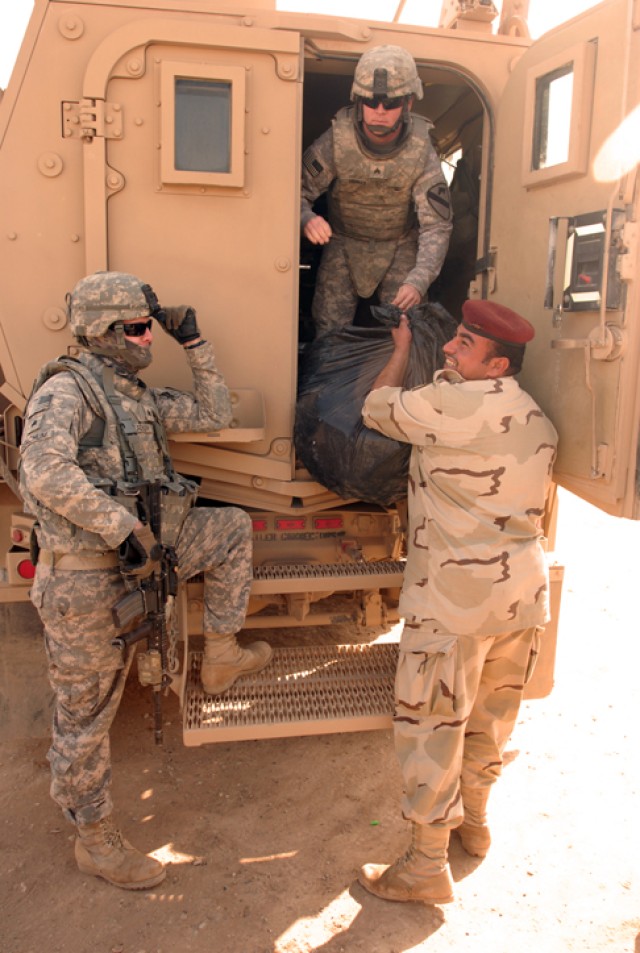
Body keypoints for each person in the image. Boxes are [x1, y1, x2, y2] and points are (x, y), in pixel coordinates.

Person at [19, 271, 272, 890]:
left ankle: (220, 654)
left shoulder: (134, 396)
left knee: (233, 529)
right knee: (88, 715)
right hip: (86, 580)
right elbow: (42, 471)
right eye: (136, 328)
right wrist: (122, 525)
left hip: (146, 561)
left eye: (148, 327)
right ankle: (95, 837)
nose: (146, 339)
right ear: (104, 332)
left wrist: (194, 343)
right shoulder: (68, 393)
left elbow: (214, 410)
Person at [357, 299, 558, 905]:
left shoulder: (450, 403)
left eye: (464, 345)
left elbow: (376, 409)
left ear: (497, 364)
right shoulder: (535, 416)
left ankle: (425, 866)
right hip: (520, 596)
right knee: (491, 721)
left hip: (454, 602)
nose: (448, 348)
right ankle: (475, 823)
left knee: (432, 728)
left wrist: (398, 352)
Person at [300, 45, 453, 336]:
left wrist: (418, 280)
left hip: (399, 245)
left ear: (408, 104)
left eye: (390, 102)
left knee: (410, 327)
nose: (380, 111)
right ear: (358, 102)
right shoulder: (337, 140)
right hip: (343, 242)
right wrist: (306, 218)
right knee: (329, 330)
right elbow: (293, 192)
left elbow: (437, 225)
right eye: (371, 102)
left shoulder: (421, 150)